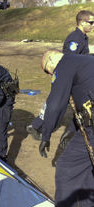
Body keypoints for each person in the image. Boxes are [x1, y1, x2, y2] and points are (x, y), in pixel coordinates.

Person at [40, 50, 94, 207]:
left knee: (66, 168)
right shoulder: (85, 61)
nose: (51, 77)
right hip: (88, 128)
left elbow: (56, 104)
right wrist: (71, 131)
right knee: (85, 163)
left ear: (52, 61)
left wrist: (46, 134)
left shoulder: (65, 64)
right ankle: (89, 206)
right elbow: (82, 105)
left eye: (49, 72)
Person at [26, 10, 94, 141]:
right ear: (82, 22)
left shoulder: (83, 37)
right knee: (56, 102)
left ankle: (41, 125)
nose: (93, 25)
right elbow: (68, 59)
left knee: (71, 104)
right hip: (71, 77)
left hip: (80, 78)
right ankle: (37, 126)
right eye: (91, 22)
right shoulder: (75, 38)